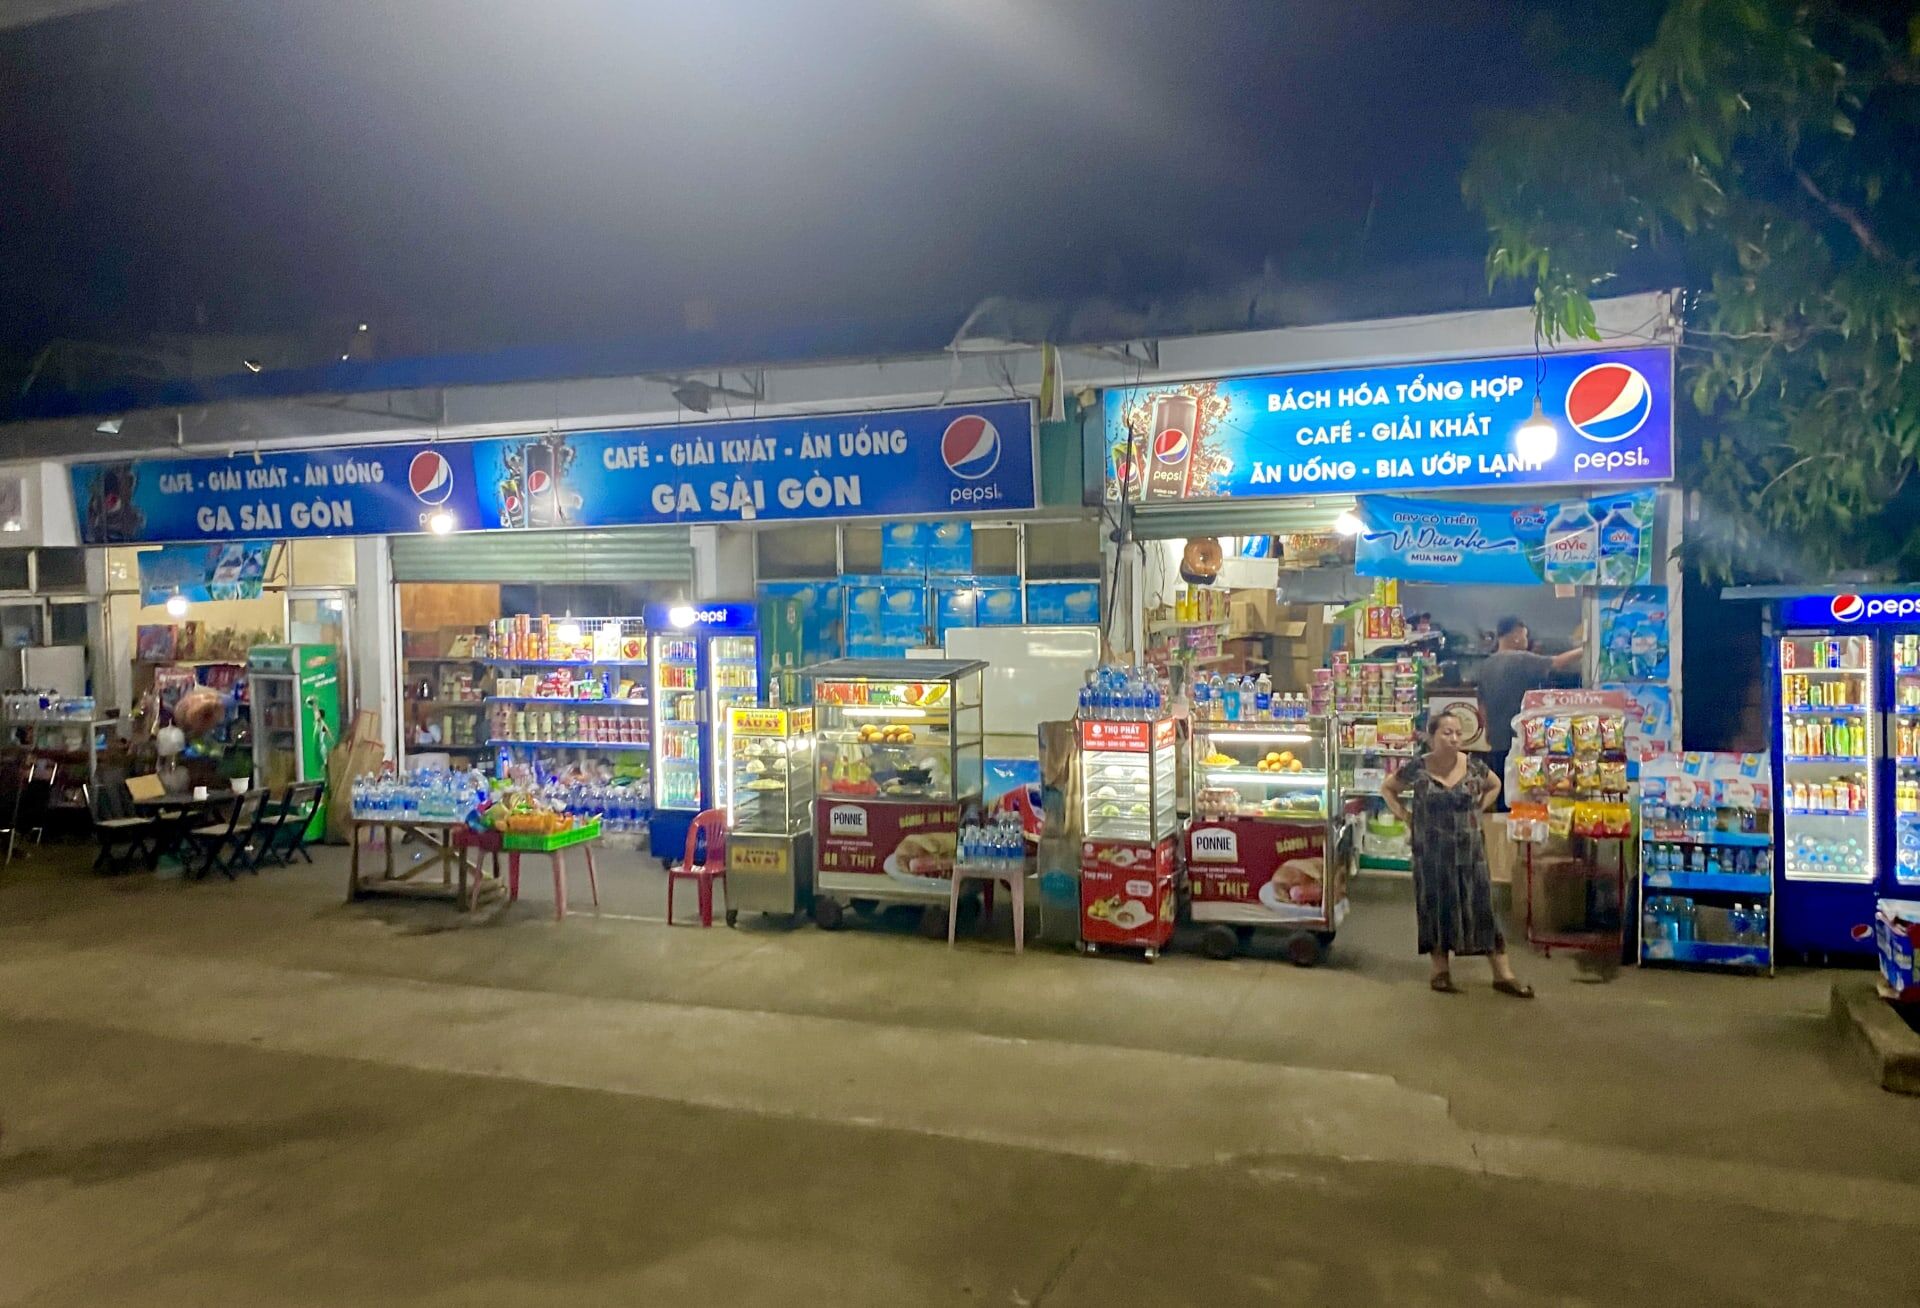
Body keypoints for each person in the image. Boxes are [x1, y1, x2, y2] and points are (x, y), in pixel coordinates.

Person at [1381, 709, 1533, 997]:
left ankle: (1503, 974)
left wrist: (1478, 808)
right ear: (1431, 737)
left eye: (1458, 733)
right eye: (1447, 732)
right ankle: (1440, 971)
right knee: (1435, 907)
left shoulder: (1474, 766)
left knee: (1482, 907)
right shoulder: (1417, 767)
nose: (1454, 738)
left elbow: (1495, 785)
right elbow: (1388, 789)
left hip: (1469, 851)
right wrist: (1406, 816)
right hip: (1431, 852)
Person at [1479, 616, 1583, 796]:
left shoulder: (1486, 665)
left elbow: (1481, 703)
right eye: (1525, 635)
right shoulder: (1520, 659)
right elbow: (1557, 662)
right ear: (1516, 635)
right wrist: (1587, 647)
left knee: (1502, 789)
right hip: (1521, 739)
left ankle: (1503, 814)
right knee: (1523, 791)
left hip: (1497, 739)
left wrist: (1488, 729)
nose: (1526, 640)